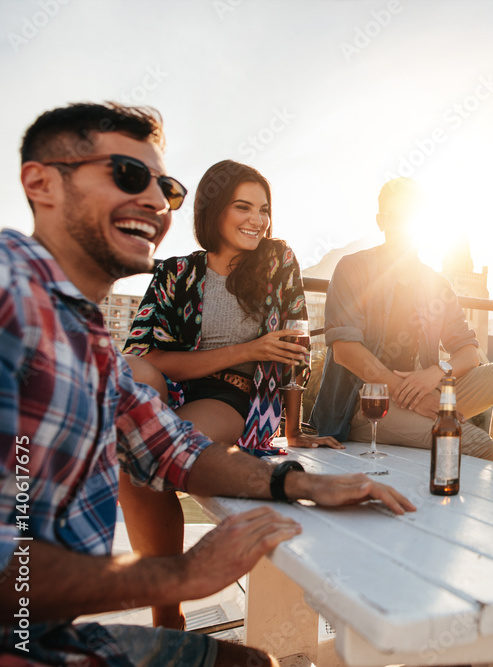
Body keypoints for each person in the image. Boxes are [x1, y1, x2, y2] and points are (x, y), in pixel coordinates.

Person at [0, 102, 414, 667]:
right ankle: (167, 605)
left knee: (254, 662)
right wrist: (178, 575)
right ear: (40, 183)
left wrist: (300, 481)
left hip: (40, 630)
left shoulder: (84, 331)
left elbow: (166, 445)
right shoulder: (11, 293)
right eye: (126, 175)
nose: (153, 201)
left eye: (164, 188)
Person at [120, 159, 338, 630]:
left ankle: (166, 614)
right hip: (166, 387)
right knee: (130, 374)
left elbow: (293, 349)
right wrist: (249, 346)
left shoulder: (277, 260)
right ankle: (166, 609)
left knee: (145, 455)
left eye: (263, 209)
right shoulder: (176, 271)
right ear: (214, 210)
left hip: (232, 395)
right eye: (243, 207)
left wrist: (294, 430)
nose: (257, 219)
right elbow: (146, 358)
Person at [310, 177, 493, 465]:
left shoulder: (436, 284)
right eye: (397, 216)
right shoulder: (354, 268)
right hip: (368, 402)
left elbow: (469, 352)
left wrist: (436, 372)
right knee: (476, 444)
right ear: (381, 221)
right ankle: (489, 498)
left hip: (428, 390)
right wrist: (410, 394)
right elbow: (345, 350)